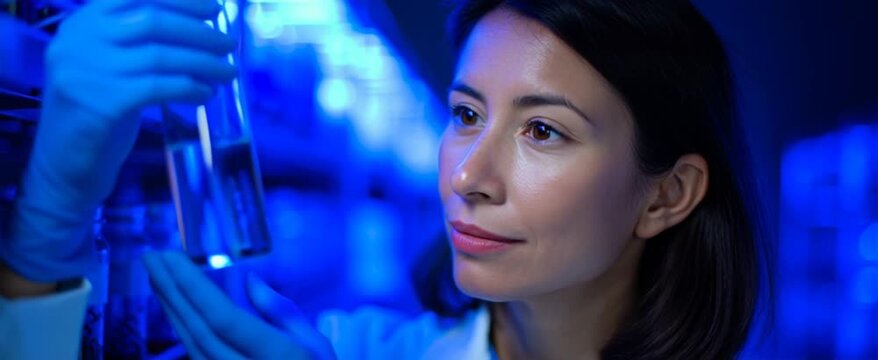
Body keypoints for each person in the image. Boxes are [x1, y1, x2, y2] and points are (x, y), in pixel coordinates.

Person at [0, 0, 767, 359]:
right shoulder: (346, 350)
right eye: (466, 115)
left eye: (542, 130)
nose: (468, 174)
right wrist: (49, 227)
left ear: (668, 195)